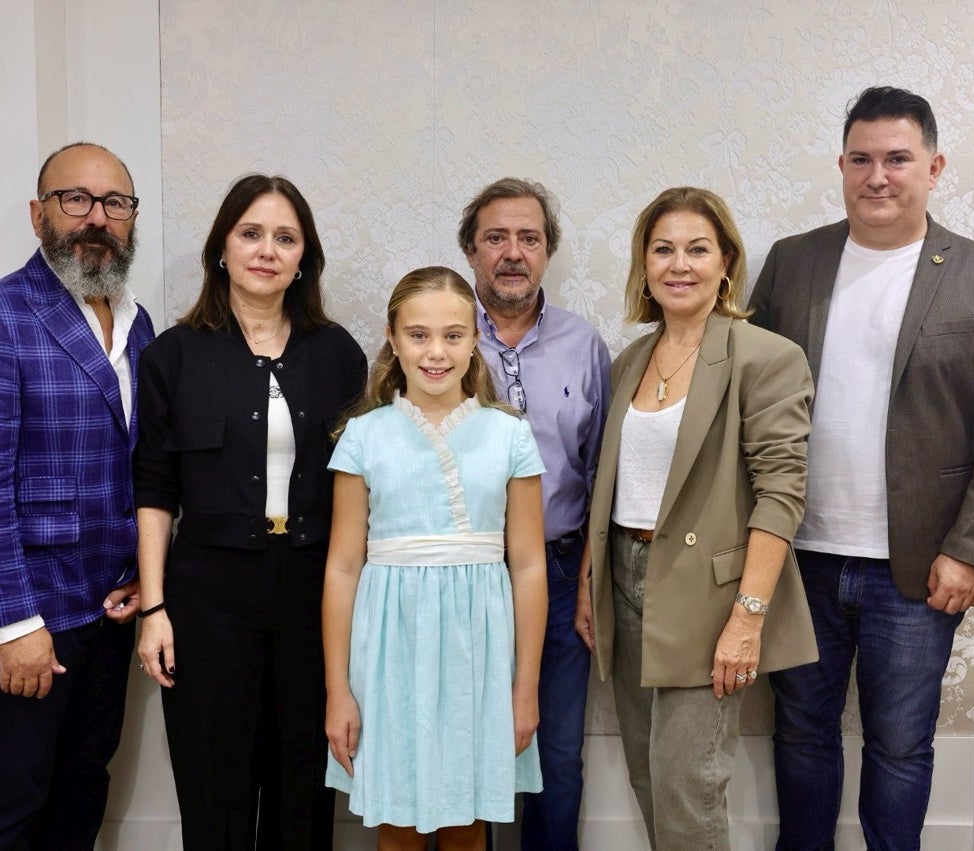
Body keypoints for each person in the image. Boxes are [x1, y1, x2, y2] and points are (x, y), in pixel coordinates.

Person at [749, 86, 974, 850]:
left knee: (901, 745)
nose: (878, 176)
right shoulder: (793, 262)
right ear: (841, 166)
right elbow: (746, 397)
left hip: (917, 568)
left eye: (897, 159)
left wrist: (969, 549)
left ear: (934, 166)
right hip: (798, 558)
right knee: (801, 738)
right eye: (862, 159)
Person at [574, 187, 818, 850]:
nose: (679, 264)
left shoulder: (765, 357)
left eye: (697, 249)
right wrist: (592, 581)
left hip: (710, 595)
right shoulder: (630, 360)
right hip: (625, 581)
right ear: (644, 265)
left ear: (726, 262)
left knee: (689, 789)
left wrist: (748, 615)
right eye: (663, 249)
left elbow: (781, 493)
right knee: (651, 778)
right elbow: (613, 484)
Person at [133, 174, 367, 849]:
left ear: (304, 259)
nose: (267, 249)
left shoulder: (338, 356)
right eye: (251, 233)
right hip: (207, 596)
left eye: (285, 238)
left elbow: (361, 489)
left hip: (309, 593)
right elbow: (153, 490)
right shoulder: (172, 357)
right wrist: (153, 610)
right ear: (221, 249)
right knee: (215, 794)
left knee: (303, 795)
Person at [0, 141, 154, 849]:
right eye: (76, 199)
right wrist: (14, 625)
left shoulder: (139, 324)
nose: (96, 217)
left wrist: (142, 579)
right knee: (8, 807)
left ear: (131, 219)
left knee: (80, 794)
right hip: (28, 624)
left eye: (114, 203)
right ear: (40, 214)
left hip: (107, 614)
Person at [322, 266, 548, 851]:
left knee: (468, 820)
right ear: (393, 341)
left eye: (453, 334)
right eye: (418, 334)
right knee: (397, 820)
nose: (436, 351)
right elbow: (343, 568)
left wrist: (524, 689)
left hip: (481, 653)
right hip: (389, 652)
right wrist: (338, 690)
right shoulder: (363, 436)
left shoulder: (509, 436)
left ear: (476, 338)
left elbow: (527, 566)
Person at [459, 178, 610, 851]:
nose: (513, 252)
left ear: (548, 252)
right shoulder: (439, 336)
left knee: (558, 755)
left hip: (557, 570)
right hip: (465, 573)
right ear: (471, 250)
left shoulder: (585, 345)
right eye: (496, 237)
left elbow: (603, 470)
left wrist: (585, 579)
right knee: (470, 750)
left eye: (529, 238)